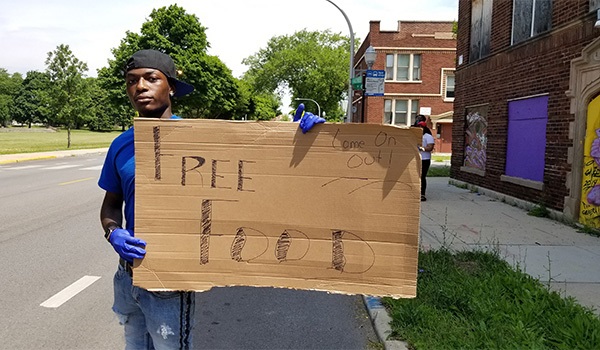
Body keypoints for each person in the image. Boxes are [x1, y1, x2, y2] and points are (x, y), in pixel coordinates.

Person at [99, 49, 323, 349]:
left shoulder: (202, 139)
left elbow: (262, 177)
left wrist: (303, 139)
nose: (140, 87)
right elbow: (111, 204)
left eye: (151, 78)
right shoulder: (120, 145)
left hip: (169, 282)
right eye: (131, 81)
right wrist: (114, 232)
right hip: (127, 278)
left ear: (172, 87)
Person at [415, 115, 435, 201]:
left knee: (422, 176)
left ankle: (422, 194)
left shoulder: (428, 136)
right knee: (416, 176)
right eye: (418, 127)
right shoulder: (415, 136)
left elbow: (430, 147)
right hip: (416, 158)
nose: (420, 128)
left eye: (421, 127)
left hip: (425, 159)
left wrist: (422, 148)